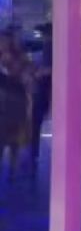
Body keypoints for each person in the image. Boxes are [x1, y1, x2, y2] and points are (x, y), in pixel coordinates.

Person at [0, 29, 30, 180]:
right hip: (4, 101)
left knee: (14, 137)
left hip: (15, 100)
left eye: (4, 40)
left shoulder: (20, 58)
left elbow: (24, 77)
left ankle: (13, 168)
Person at [28, 23, 52, 175]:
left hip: (44, 89)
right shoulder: (49, 46)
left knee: (35, 121)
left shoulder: (50, 46)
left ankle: (33, 152)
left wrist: (36, 75)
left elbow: (49, 68)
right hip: (45, 88)